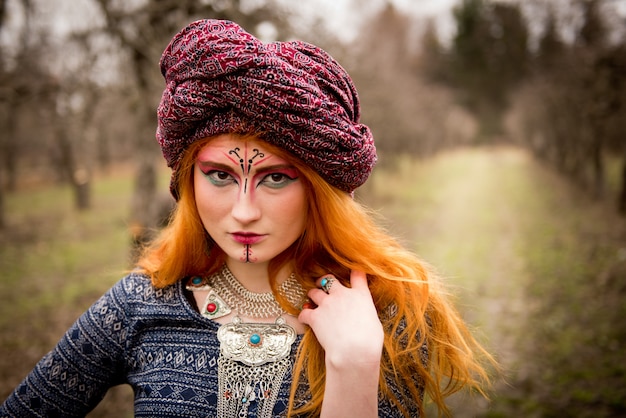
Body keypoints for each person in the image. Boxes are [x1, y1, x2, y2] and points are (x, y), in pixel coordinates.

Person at [0, 19, 494, 417]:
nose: (243, 211)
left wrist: (355, 365)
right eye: (218, 175)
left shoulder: (393, 312)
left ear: (319, 189)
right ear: (188, 182)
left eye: (276, 178)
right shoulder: (136, 305)